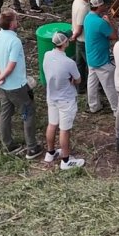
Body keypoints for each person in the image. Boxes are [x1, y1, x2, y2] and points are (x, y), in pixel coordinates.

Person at [0, 11, 43, 158]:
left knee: (5, 113)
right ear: (12, 24)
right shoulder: (15, 41)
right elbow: (11, 66)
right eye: (16, 20)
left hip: (4, 86)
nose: (17, 22)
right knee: (28, 113)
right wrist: (1, 76)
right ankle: (32, 147)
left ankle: (8, 144)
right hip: (16, 85)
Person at [42, 31, 85, 169]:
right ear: (65, 43)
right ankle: (66, 161)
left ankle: (50, 152)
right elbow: (78, 79)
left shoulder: (47, 55)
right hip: (66, 99)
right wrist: (72, 79)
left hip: (51, 96)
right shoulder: (69, 62)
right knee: (64, 130)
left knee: (52, 124)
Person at [83, 0, 119, 114]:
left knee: (92, 83)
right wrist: (109, 23)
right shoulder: (100, 23)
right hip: (101, 59)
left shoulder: (87, 18)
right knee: (109, 86)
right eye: (103, 4)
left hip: (91, 57)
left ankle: (93, 105)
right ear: (99, 6)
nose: (105, 6)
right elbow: (114, 36)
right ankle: (116, 109)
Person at [69, 0, 92, 94]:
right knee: (91, 65)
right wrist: (73, 37)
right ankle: (94, 87)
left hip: (79, 40)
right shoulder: (83, 8)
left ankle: (80, 87)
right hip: (83, 40)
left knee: (79, 64)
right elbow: (79, 28)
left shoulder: (76, 1)